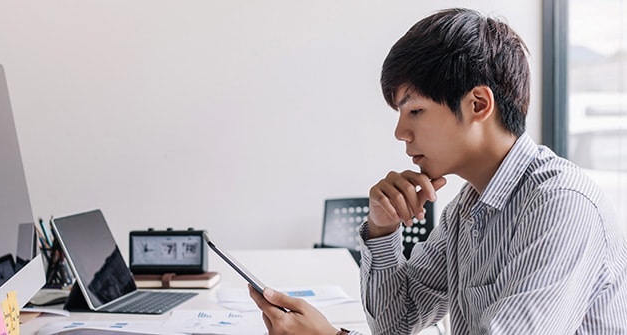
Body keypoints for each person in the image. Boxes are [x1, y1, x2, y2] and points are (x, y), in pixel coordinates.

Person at [249, 7, 627, 335]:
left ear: (478, 104)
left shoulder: (562, 206)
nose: (400, 132)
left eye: (414, 111)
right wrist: (382, 230)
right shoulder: (466, 210)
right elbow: (396, 325)